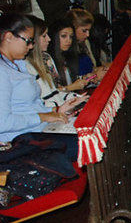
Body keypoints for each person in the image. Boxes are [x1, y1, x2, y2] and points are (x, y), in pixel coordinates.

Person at [0, 13, 83, 154]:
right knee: (86, 144)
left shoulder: (19, 63)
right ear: (8, 37)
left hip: (38, 128)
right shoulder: (2, 71)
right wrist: (43, 117)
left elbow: (31, 105)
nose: (31, 46)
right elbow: (3, 123)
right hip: (19, 139)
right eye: (28, 40)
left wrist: (56, 112)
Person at [25, 17, 83, 108]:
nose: (49, 39)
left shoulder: (46, 57)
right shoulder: (25, 65)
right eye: (44, 36)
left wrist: (76, 98)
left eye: (71, 37)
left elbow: (55, 92)